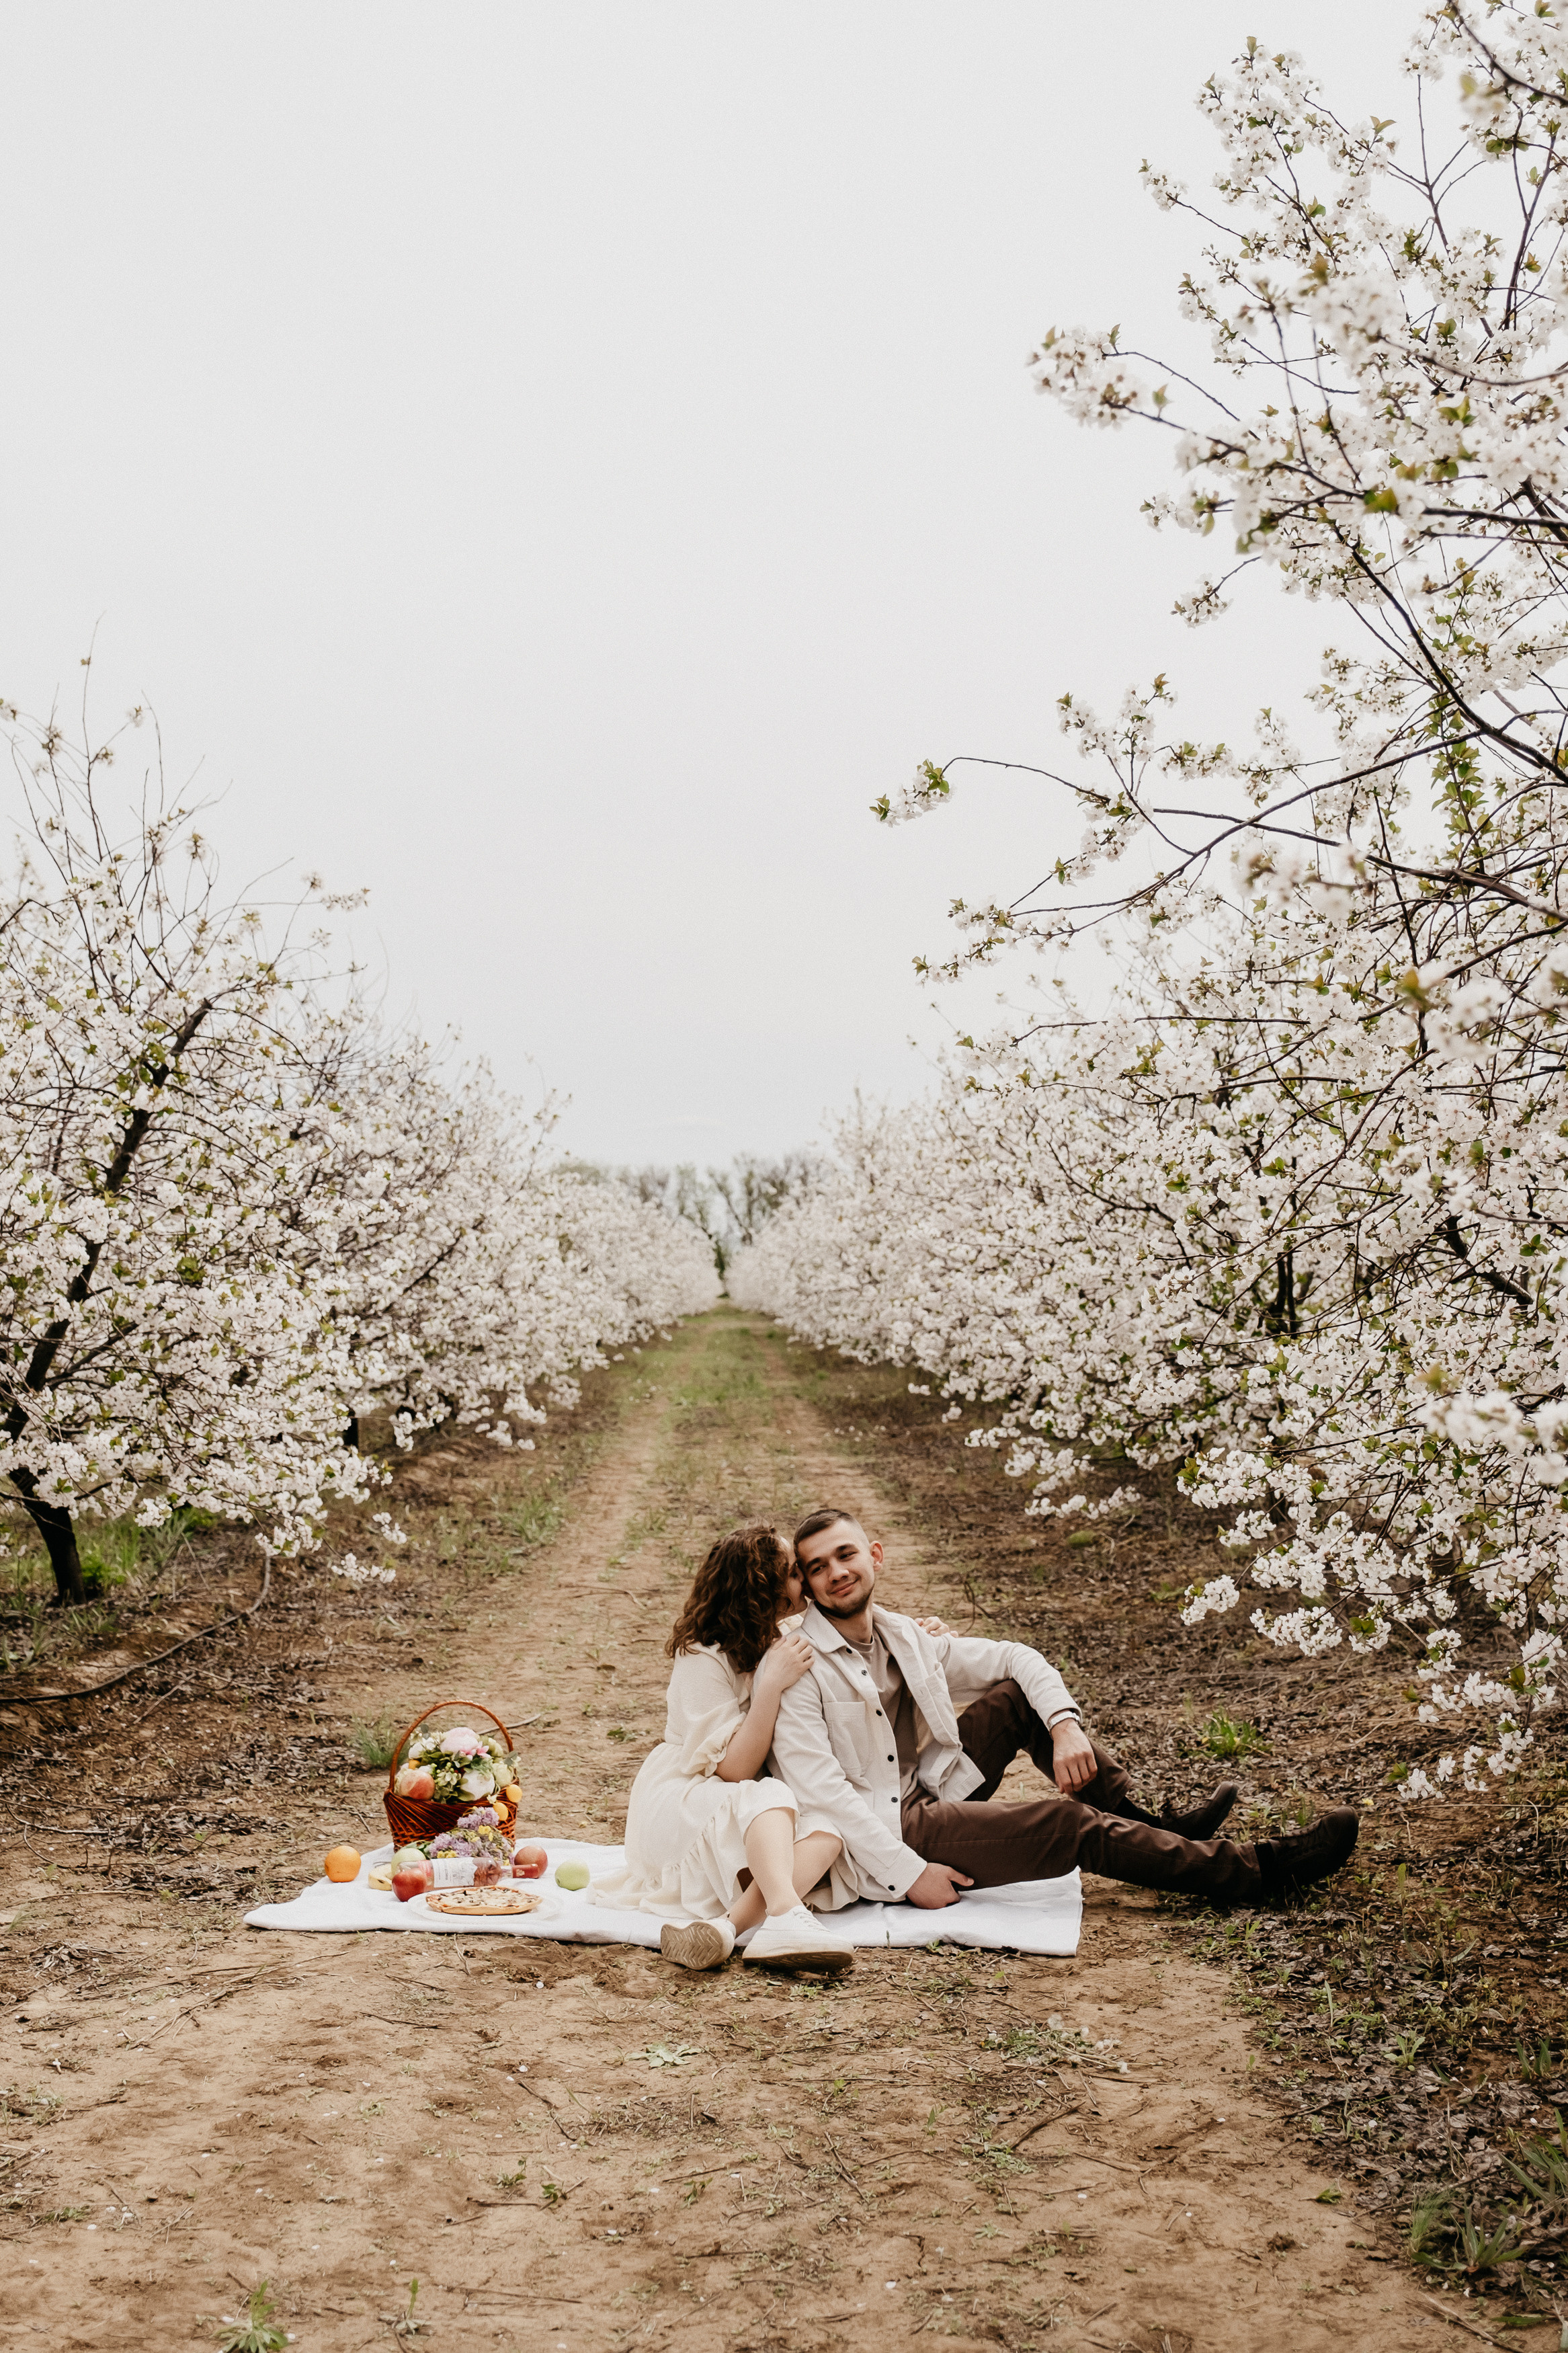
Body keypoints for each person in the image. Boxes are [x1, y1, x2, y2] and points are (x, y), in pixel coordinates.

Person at [770, 1508, 1359, 1913]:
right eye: (817, 1567)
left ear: (874, 1555)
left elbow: (1016, 1657)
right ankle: (1257, 1870)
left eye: (845, 1555)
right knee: (1067, 1826)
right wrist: (906, 1873)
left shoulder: (902, 1634)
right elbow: (824, 1796)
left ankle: (1158, 1826)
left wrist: (1064, 1726)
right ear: (807, 1583)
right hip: (885, 1828)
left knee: (1016, 1700)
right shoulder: (800, 1661)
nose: (835, 1574)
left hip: (924, 1788)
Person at [589, 1521, 856, 1972]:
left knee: (827, 1832)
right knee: (771, 1795)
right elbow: (733, 1771)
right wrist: (769, 1685)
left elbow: (858, 1631)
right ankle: (788, 1916)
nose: (805, 1581)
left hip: (743, 1808)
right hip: (683, 1798)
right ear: (762, 1590)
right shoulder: (701, 1654)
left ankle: (725, 1930)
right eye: (793, 1573)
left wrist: (924, 1633)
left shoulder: (787, 1629)